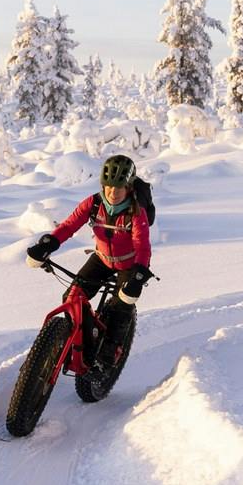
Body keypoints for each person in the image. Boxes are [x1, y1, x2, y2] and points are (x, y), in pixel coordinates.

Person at [26, 154, 151, 372]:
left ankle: (111, 348)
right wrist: (49, 244)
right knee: (71, 298)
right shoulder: (93, 203)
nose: (113, 192)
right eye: (109, 186)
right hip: (101, 259)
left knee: (120, 307)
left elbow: (142, 246)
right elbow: (69, 226)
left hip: (128, 264)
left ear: (128, 187)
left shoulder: (135, 212)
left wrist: (139, 274)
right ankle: (84, 340)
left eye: (119, 187)